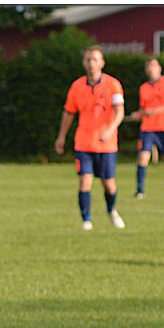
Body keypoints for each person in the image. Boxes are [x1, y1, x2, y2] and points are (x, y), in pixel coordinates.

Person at [54, 45, 126, 231]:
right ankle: (86, 220)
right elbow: (68, 113)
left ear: (102, 62)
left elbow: (119, 112)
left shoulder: (113, 85)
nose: (91, 63)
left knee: (108, 184)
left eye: (95, 59)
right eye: (88, 59)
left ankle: (111, 210)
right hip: (84, 143)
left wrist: (110, 130)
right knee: (85, 181)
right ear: (84, 63)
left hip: (107, 145)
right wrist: (61, 136)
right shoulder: (77, 86)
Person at [131, 58, 164, 198]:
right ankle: (140, 191)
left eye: (153, 66)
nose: (151, 69)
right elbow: (143, 108)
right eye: (148, 67)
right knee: (143, 158)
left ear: (159, 68)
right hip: (148, 128)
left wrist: (154, 111)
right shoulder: (144, 88)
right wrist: (138, 114)